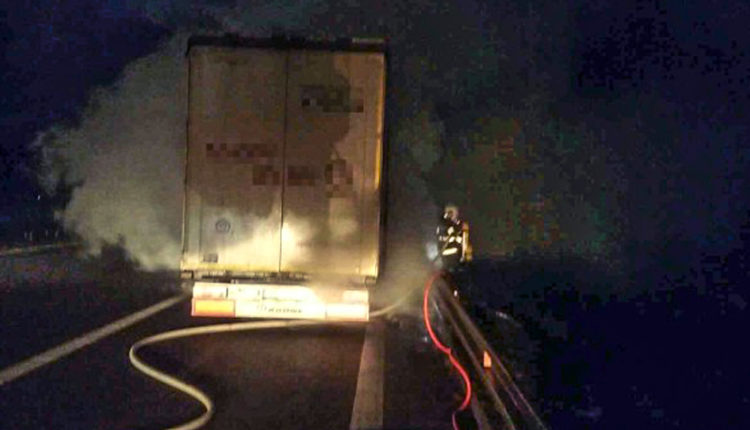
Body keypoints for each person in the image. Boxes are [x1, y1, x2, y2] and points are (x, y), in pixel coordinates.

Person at [436, 204, 465, 270]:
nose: (452, 215)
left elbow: (461, 240)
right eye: (450, 213)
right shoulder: (443, 225)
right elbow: (440, 238)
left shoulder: (458, 225)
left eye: (453, 213)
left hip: (456, 255)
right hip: (446, 254)